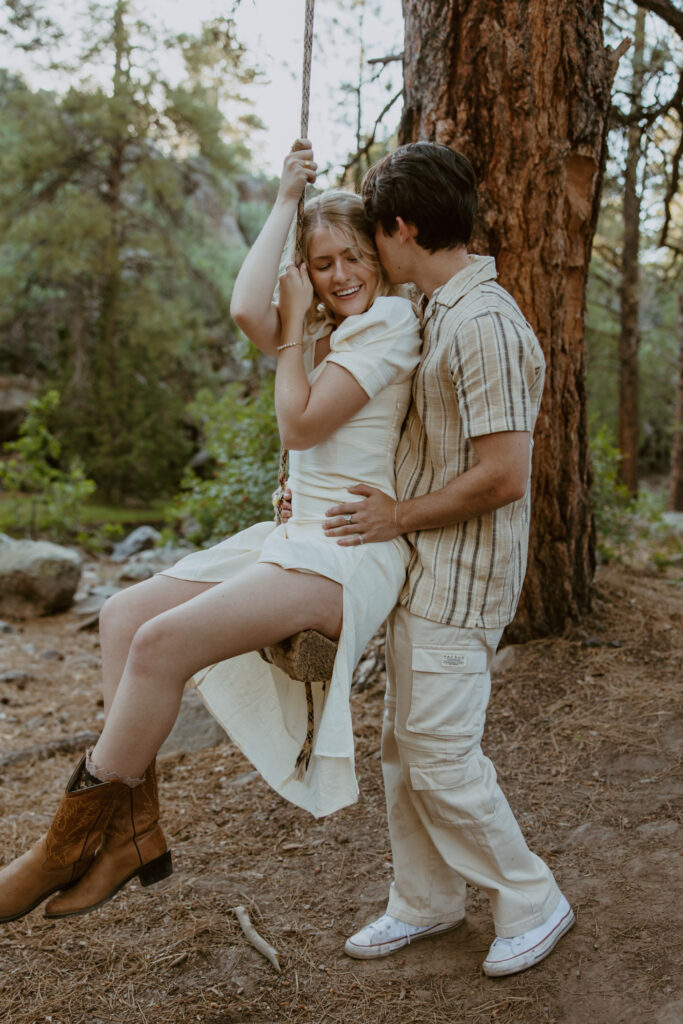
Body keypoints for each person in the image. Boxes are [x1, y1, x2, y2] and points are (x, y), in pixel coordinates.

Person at [0, 142, 422, 924]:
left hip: (348, 548)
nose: (339, 275)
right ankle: (134, 831)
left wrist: (295, 324)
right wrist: (281, 205)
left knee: (160, 645)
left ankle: (57, 850)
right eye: (321, 263)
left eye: (353, 256)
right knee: (126, 617)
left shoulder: (389, 323)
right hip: (297, 531)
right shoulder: (330, 328)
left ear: (381, 258)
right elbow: (242, 309)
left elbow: (297, 425)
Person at [317, 142, 574, 977]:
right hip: (419, 571)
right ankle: (424, 901)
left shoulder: (485, 324)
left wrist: (397, 517)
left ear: (401, 227)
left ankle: (531, 897)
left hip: (461, 581)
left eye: (372, 236)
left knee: (438, 754)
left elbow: (503, 476)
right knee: (404, 749)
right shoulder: (433, 313)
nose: (367, 254)